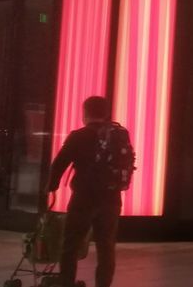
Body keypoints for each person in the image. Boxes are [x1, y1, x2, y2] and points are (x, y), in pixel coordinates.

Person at [48, 96, 135, 287]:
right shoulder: (120, 135)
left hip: (83, 198)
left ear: (85, 113)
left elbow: (59, 164)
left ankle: (67, 282)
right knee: (106, 247)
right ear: (106, 114)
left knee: (71, 244)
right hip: (111, 198)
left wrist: (51, 186)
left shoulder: (79, 135)